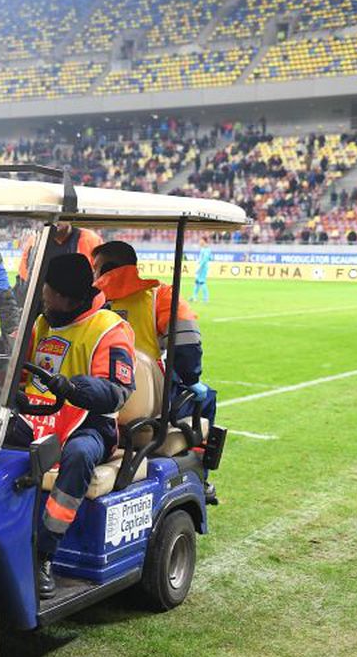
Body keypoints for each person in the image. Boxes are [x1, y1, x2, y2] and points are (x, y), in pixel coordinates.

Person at [19, 253, 135, 599]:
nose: (42, 295)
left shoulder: (109, 328)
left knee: (80, 455)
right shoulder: (43, 322)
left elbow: (117, 392)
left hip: (90, 424)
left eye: (47, 291)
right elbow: (22, 373)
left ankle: (44, 553)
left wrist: (74, 388)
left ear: (64, 296)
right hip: (39, 418)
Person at [91, 240, 215, 423]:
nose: (93, 274)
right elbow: (187, 345)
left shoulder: (88, 301)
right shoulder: (161, 295)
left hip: (96, 393)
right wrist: (191, 379)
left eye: (95, 268)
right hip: (147, 398)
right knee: (207, 398)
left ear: (105, 269)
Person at [191, 236, 213, 303]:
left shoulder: (207, 249)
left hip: (203, 267)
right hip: (201, 266)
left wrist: (199, 267)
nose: (199, 242)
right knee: (197, 282)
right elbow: (210, 258)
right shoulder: (203, 248)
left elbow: (205, 260)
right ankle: (194, 296)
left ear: (203, 240)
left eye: (200, 240)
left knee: (202, 282)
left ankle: (205, 299)